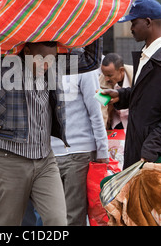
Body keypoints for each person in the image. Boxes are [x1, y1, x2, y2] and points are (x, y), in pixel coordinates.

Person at [0, 0, 101, 226]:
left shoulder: (53, 66)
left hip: (46, 160)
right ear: (26, 50)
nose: (47, 65)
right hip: (10, 160)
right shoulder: (3, 68)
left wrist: (94, 17)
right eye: (42, 59)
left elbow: (91, 59)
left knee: (58, 221)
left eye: (52, 60)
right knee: (7, 224)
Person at [101, 0, 161, 169]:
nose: (131, 28)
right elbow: (150, 97)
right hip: (145, 156)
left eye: (133, 22)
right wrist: (122, 95)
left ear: (147, 22)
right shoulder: (148, 56)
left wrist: (148, 149)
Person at [51, 69, 109, 226]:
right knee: (63, 217)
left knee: (69, 216)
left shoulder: (84, 67)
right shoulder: (40, 63)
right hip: (55, 153)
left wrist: (103, 149)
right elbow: (96, 110)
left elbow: (97, 110)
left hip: (76, 153)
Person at [99, 53, 133, 130]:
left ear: (121, 70)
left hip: (134, 124)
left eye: (110, 75)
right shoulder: (101, 82)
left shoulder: (137, 75)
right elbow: (102, 111)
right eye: (104, 75)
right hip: (116, 124)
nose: (106, 79)